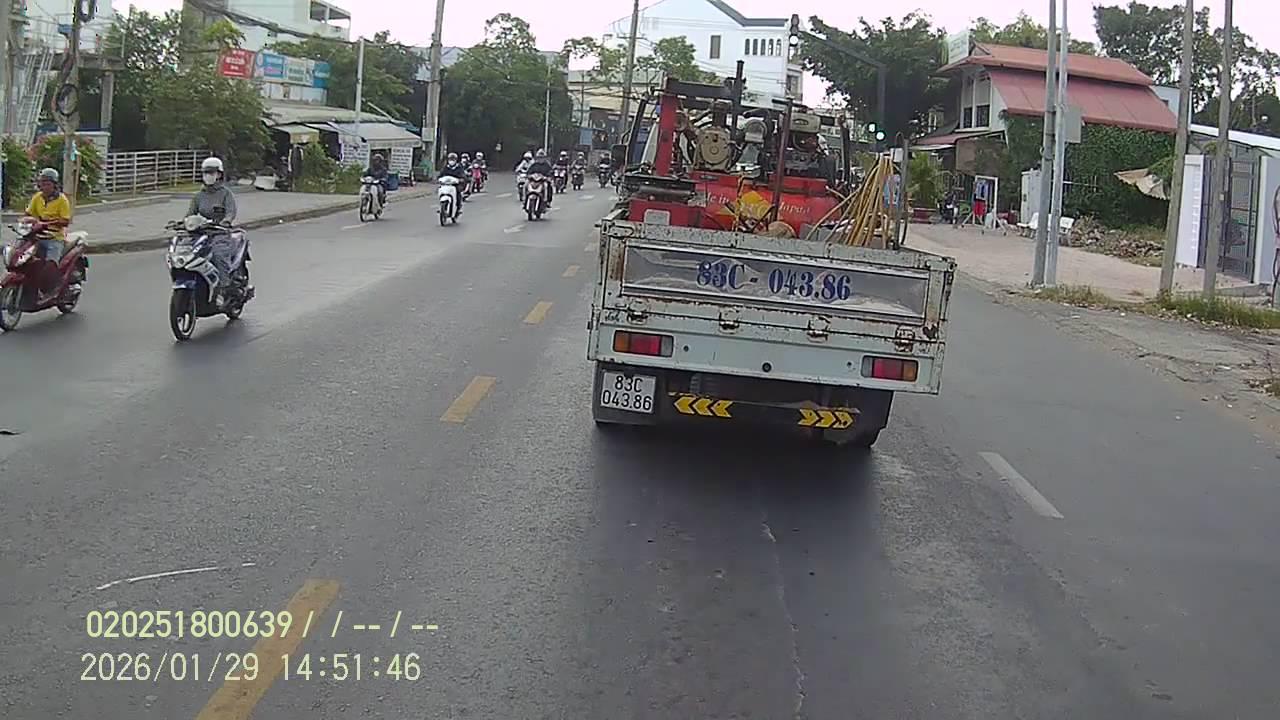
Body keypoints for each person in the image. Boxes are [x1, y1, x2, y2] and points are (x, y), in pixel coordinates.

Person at [187, 157, 240, 287]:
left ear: (219, 175)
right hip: (201, 233)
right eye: (205, 172)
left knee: (218, 254)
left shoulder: (226, 194)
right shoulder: (198, 196)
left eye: (211, 172)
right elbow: (190, 214)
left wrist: (226, 221)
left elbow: (231, 212)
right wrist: (185, 223)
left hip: (220, 233)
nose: (208, 176)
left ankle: (224, 285)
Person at [25, 167, 73, 295]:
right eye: (42, 184)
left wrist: (47, 224)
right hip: (37, 236)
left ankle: (51, 290)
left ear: (54, 185)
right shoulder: (37, 197)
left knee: (50, 265)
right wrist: (27, 221)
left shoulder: (62, 200)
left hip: (54, 237)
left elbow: (65, 221)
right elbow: (29, 213)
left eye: (48, 184)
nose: (44, 187)